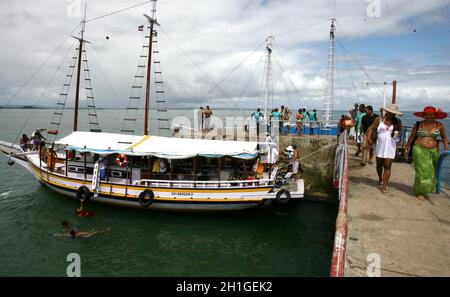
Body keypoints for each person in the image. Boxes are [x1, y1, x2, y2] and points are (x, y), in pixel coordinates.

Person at [404, 106, 448, 201]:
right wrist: (406, 147)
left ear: (434, 115)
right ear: (424, 115)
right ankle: (420, 191)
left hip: (432, 151)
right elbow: (412, 137)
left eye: (431, 114)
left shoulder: (439, 125)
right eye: (427, 114)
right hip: (419, 150)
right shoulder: (418, 124)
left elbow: (444, 138)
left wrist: (446, 148)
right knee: (422, 172)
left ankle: (425, 189)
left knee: (431, 172)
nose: (429, 116)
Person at [366, 104, 403, 194]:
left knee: (387, 166)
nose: (391, 115)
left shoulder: (398, 122)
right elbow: (370, 129)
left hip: (391, 146)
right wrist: (369, 139)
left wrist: (397, 135)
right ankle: (380, 179)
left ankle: (384, 185)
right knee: (379, 165)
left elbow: (400, 134)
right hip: (380, 146)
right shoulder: (379, 119)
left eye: (393, 113)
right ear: (387, 112)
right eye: (390, 113)